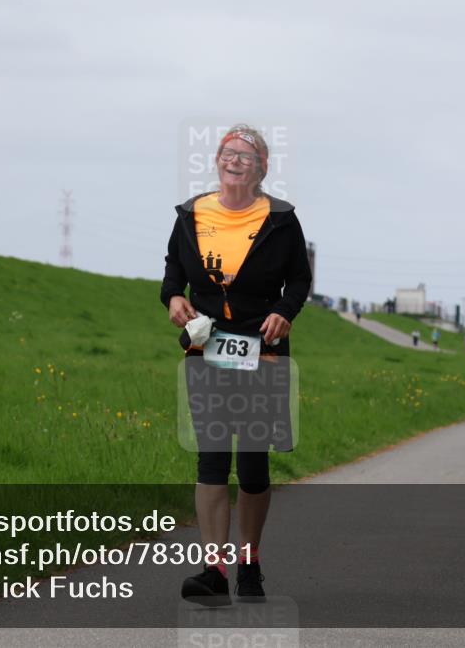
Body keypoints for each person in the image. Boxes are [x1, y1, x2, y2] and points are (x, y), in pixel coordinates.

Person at [162, 125, 311, 605]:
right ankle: (214, 570)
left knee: (251, 462)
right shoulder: (190, 214)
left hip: (261, 349)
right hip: (206, 349)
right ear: (216, 161)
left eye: (247, 155)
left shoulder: (282, 219)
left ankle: (249, 564)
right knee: (210, 459)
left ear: (263, 168)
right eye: (228, 152)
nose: (235, 160)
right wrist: (173, 300)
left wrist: (284, 313)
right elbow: (172, 272)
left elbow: (299, 281)